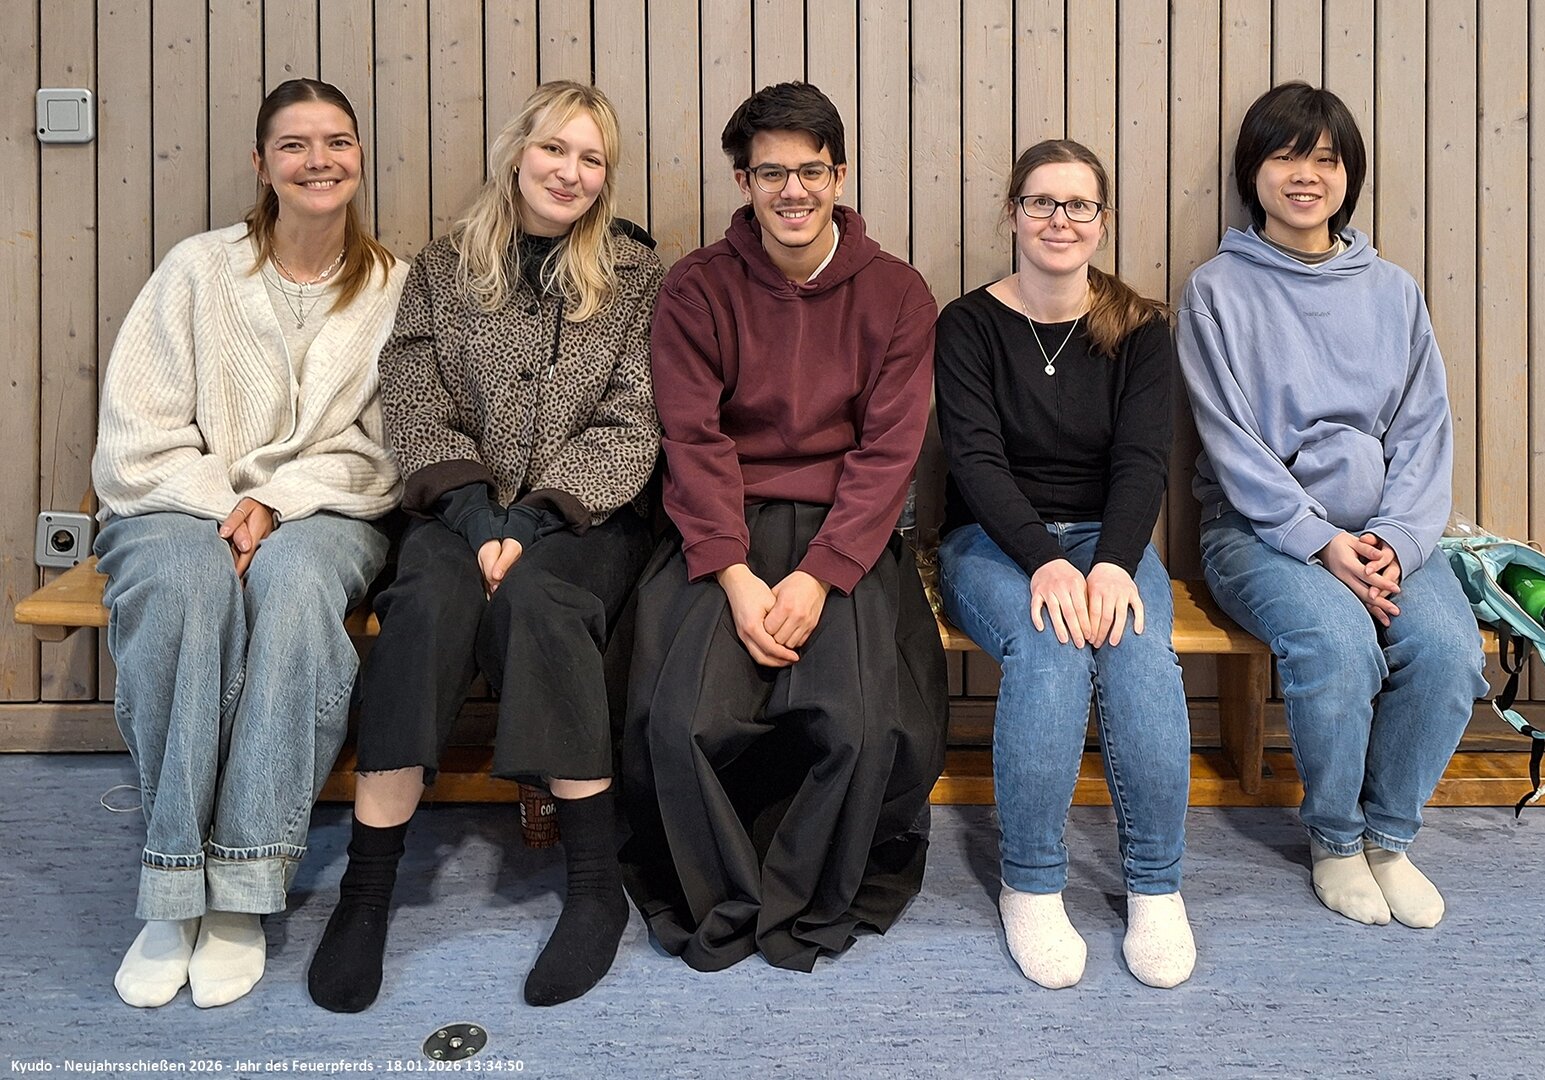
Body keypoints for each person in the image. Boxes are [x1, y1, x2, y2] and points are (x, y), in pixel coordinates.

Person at [305, 80, 663, 1012]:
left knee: (545, 603)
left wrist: (533, 523)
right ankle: (367, 890)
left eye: (591, 159)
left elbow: (634, 420)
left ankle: (595, 887)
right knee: (425, 604)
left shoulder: (635, 276)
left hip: (583, 517)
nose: (570, 173)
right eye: (554, 149)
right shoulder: (442, 267)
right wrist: (476, 520)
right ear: (516, 153)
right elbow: (413, 399)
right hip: (456, 509)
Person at [620, 81, 947, 972]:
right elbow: (692, 440)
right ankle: (723, 894)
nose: (793, 191)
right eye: (771, 173)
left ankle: (807, 893)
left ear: (839, 175)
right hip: (722, 525)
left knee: (863, 725)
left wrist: (818, 574)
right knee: (679, 718)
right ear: (744, 181)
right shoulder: (697, 287)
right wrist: (735, 576)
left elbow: (889, 453)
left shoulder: (897, 293)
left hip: (846, 532)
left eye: (811, 171)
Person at [90, 78, 402, 1008]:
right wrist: (227, 506)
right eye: (295, 145)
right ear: (261, 164)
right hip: (174, 501)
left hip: (329, 509)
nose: (319, 161)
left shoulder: (393, 287)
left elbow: (389, 448)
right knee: (186, 589)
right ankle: (172, 887)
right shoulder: (196, 270)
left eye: (337, 141)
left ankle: (243, 883)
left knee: (297, 590)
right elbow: (135, 435)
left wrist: (279, 501)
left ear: (359, 156)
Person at [1178, 82, 1487, 928]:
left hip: (1388, 533)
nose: (1305, 175)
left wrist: (1395, 540)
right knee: (1340, 646)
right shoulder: (1215, 290)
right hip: (1259, 532)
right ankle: (1337, 841)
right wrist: (1320, 541)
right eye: (1285, 156)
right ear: (1252, 172)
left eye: (1325, 158)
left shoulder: (1394, 291)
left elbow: (1425, 432)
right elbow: (1231, 444)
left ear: (1350, 175)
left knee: (1448, 650)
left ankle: (1389, 838)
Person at [934, 139, 1196, 990]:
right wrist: (1044, 561)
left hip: (1108, 538)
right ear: (1011, 213)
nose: (1059, 219)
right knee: (1049, 645)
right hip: (991, 540)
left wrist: (1114, 563)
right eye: (1041, 202)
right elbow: (975, 462)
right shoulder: (967, 324)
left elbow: (1143, 462)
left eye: (1078, 204)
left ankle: (1156, 887)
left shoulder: (1141, 327)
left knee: (1137, 648)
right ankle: (1033, 885)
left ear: (1102, 221)